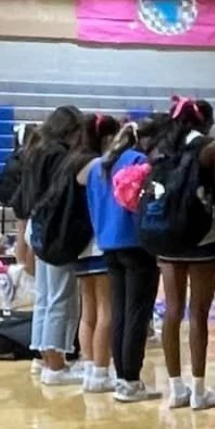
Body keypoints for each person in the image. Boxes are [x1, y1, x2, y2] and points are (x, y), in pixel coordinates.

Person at [152, 97, 215, 410]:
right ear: (205, 123)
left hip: (167, 237)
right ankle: (199, 390)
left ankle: (176, 388)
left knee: (172, 311)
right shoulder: (211, 148)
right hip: (202, 237)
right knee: (198, 313)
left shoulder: (162, 147)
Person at [87, 116, 162, 403]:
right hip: (135, 242)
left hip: (108, 243)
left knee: (119, 311)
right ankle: (131, 379)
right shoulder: (140, 163)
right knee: (137, 314)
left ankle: (122, 378)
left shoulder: (100, 166)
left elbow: (93, 208)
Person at [22, 106, 86, 384]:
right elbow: (64, 197)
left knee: (45, 297)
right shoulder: (59, 155)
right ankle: (56, 366)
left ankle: (44, 359)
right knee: (60, 298)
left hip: (37, 226)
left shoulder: (37, 150)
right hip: (54, 230)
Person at [72, 113, 121, 394]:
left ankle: (90, 366)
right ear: (106, 138)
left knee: (88, 311)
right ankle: (102, 371)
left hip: (80, 246)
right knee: (106, 310)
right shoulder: (100, 166)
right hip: (99, 242)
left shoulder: (76, 164)